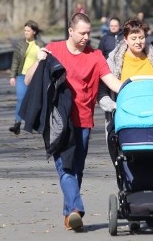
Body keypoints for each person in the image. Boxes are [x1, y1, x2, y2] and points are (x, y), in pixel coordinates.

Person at [25, 13, 122, 232]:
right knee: (65, 167)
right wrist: (39, 60)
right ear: (71, 31)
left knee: (77, 169)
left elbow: (112, 82)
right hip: (58, 121)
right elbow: (30, 79)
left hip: (84, 121)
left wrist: (133, 89)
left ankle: (70, 215)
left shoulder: (96, 56)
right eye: (82, 33)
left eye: (89, 33)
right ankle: (77, 208)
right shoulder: (53, 50)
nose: (86, 37)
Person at [98, 17, 153, 229]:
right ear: (125, 38)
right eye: (134, 37)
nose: (138, 41)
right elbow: (102, 92)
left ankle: (152, 209)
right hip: (124, 120)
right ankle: (132, 206)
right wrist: (112, 106)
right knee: (126, 162)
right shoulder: (114, 60)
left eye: (141, 37)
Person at [9, 20, 46, 135]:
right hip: (21, 76)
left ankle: (37, 123)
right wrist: (12, 76)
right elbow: (15, 60)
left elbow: (45, 60)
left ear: (34, 32)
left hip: (36, 77)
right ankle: (17, 123)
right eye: (24, 30)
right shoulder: (20, 44)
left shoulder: (41, 44)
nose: (25, 32)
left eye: (28, 31)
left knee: (36, 100)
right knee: (21, 98)